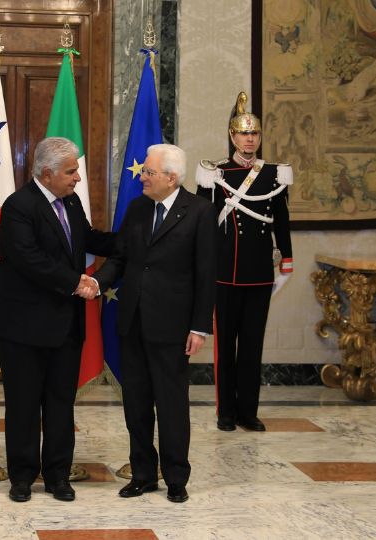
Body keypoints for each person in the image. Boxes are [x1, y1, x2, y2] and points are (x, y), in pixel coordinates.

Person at [0, 136, 114, 503]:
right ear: (46, 173)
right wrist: (77, 283)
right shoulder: (18, 206)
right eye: (71, 171)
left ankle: (58, 475)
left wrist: (135, 241)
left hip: (64, 325)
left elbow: (88, 239)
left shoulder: (69, 202)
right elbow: (28, 259)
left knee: (60, 403)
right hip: (22, 326)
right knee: (24, 404)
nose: (77, 178)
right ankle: (22, 477)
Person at [93, 143, 216, 504]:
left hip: (173, 326)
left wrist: (199, 327)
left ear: (172, 177)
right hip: (132, 321)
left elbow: (206, 274)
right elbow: (121, 258)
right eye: (144, 171)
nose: (142, 177)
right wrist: (98, 282)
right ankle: (143, 474)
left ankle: (176, 477)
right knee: (136, 403)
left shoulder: (199, 212)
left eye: (149, 172)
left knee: (172, 404)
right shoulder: (137, 208)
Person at [195, 91, 293, 433]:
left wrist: (288, 258)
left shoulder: (274, 174)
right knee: (226, 348)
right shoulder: (214, 174)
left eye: (255, 134)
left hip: (259, 273)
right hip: (224, 272)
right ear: (232, 136)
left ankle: (248, 411)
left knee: (252, 346)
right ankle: (226, 412)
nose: (250, 139)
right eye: (243, 134)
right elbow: (203, 223)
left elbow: (281, 219)